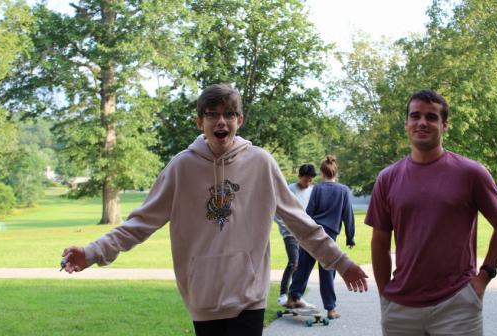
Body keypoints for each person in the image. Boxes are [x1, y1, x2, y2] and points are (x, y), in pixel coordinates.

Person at [60, 84, 368, 336]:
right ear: (200, 122)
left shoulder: (261, 163)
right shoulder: (181, 167)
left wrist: (340, 261)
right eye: (212, 114)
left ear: (239, 120)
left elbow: (300, 223)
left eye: (229, 114)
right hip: (203, 296)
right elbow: (140, 223)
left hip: (250, 294)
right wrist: (91, 253)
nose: (221, 121)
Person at [365, 90, 497, 335]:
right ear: (406, 124)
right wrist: (385, 298)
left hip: (457, 305)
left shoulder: (471, 173)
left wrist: (484, 276)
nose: (422, 122)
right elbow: (379, 243)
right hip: (400, 309)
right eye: (415, 116)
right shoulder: (387, 178)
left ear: (444, 126)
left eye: (431, 117)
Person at [286, 155, 356, 320]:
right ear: (334, 172)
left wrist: (303, 234)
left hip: (313, 232)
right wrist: (350, 237)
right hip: (329, 236)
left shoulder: (316, 189)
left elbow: (309, 212)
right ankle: (331, 309)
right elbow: (348, 215)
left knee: (304, 266)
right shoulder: (344, 190)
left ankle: (292, 298)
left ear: (322, 173)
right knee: (327, 271)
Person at [273, 164, 318, 307]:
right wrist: (288, 227)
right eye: (305, 180)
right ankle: (283, 295)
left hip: (304, 234)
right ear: (299, 176)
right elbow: (276, 211)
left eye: (310, 180)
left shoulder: (312, 191)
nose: (308, 183)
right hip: (290, 233)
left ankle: (296, 296)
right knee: (294, 262)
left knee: (301, 264)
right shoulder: (289, 190)